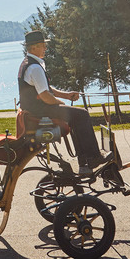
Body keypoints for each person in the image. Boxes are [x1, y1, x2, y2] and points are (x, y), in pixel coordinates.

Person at [18, 30, 109, 176]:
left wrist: (66, 95)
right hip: (39, 110)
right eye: (43, 45)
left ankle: (85, 160)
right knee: (82, 115)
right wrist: (62, 104)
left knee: (76, 116)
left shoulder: (28, 63)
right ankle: (92, 157)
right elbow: (45, 96)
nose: (45, 49)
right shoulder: (34, 67)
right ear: (34, 47)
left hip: (35, 108)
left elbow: (45, 89)